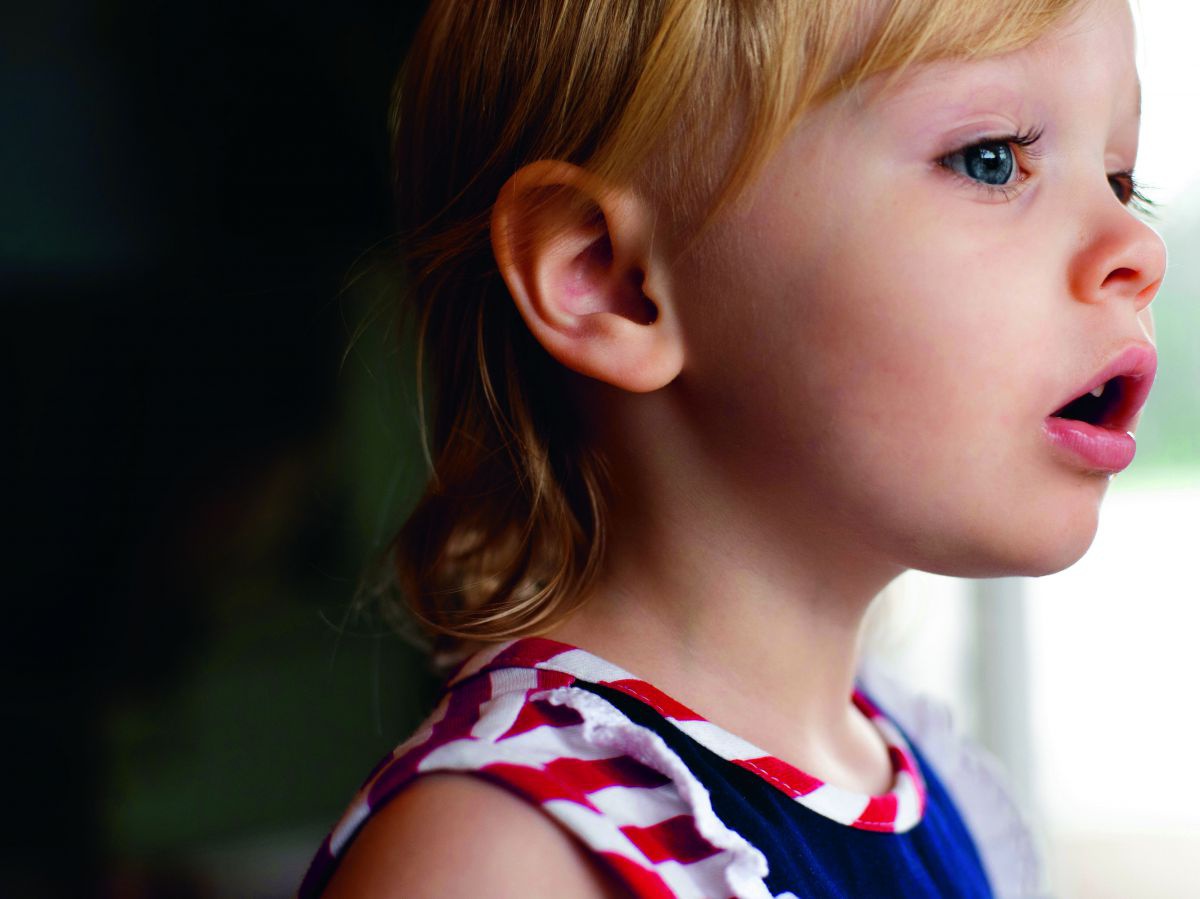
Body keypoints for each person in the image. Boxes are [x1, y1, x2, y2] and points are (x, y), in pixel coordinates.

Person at [300, 0, 1164, 895]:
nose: (1137, 246)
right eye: (992, 159)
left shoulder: (931, 784)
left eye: (1121, 180)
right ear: (611, 279)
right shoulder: (504, 855)